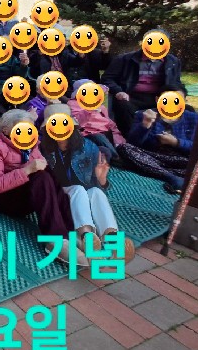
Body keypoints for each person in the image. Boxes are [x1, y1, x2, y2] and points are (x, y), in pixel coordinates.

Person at [0, 109, 87, 266]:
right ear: (6, 130)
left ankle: (71, 231)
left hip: (20, 190)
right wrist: (27, 170)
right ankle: (55, 239)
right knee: (40, 176)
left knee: (51, 172)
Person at [39, 104, 135, 261]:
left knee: (96, 192)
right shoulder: (43, 149)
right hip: (62, 195)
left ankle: (112, 238)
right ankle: (86, 236)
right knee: (77, 189)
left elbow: (94, 184)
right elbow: (49, 182)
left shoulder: (88, 147)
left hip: (82, 194)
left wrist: (102, 180)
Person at [101, 29, 185, 136]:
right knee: (123, 106)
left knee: (185, 109)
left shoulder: (173, 62)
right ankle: (131, 138)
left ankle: (167, 137)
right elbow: (107, 78)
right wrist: (118, 91)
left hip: (159, 97)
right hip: (130, 95)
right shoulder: (124, 59)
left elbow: (176, 83)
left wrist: (180, 93)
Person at [121, 93, 198, 192]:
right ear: (158, 100)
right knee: (124, 148)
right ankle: (171, 176)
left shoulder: (193, 118)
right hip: (152, 157)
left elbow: (197, 148)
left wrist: (176, 142)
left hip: (180, 159)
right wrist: (145, 125)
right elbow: (133, 143)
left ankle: (153, 170)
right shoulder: (144, 114)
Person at [67, 79, 125, 163]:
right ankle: (117, 160)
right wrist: (89, 110)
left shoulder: (101, 106)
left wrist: (119, 140)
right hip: (89, 134)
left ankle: (121, 155)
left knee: (118, 141)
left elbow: (111, 124)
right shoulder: (73, 104)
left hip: (106, 133)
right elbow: (77, 123)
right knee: (98, 137)